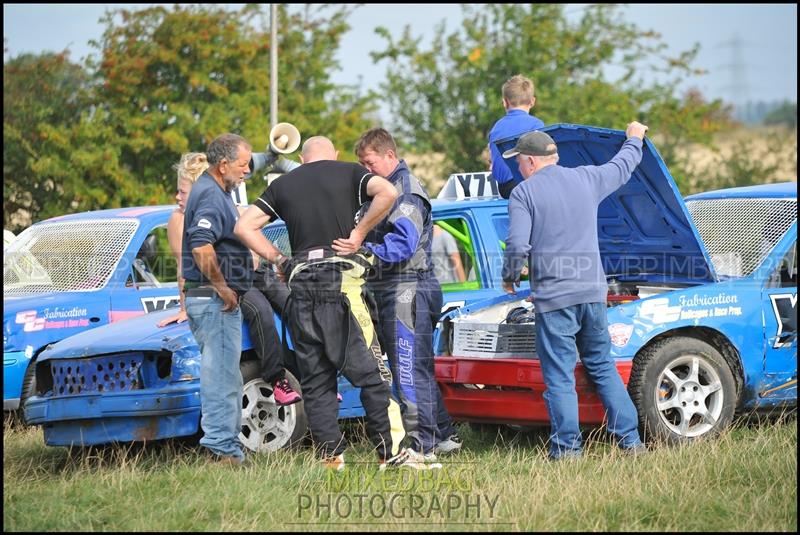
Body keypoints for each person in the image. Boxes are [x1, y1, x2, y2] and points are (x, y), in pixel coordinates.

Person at [235, 136, 404, 470]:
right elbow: (389, 192)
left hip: (299, 291)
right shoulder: (351, 173)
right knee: (369, 375)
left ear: (301, 157)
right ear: (335, 155)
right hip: (339, 285)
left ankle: (333, 458)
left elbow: (244, 226)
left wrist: (280, 260)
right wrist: (358, 234)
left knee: (316, 382)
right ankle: (388, 452)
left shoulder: (283, 184)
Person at [501, 124, 649, 460]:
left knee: (560, 377)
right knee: (601, 365)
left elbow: (517, 244)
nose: (519, 169)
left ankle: (568, 450)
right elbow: (622, 166)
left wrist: (510, 275)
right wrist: (635, 138)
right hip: (593, 294)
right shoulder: (587, 178)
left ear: (530, 162)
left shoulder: (524, 194)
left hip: (555, 300)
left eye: (520, 163)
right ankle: (631, 442)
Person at [338, 128, 461, 469]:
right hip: (399, 286)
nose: (366, 170)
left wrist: (363, 250)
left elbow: (403, 244)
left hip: (407, 286)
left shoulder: (404, 191)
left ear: (389, 156)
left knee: (407, 369)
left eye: (370, 162)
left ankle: (422, 447)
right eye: (362, 164)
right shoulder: (382, 188)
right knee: (417, 366)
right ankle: (442, 436)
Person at [158, 153, 301, 407]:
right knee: (261, 311)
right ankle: (278, 380)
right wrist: (185, 307)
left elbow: (251, 244)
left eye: (182, 192)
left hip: (250, 273)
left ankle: (312, 375)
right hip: (226, 281)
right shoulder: (178, 220)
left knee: (292, 303)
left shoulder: (223, 202)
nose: (177, 198)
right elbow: (184, 267)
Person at [181, 133, 255, 465]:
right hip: (214, 300)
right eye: (242, 165)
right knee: (224, 377)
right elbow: (200, 245)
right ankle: (223, 450)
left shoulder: (214, 188)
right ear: (223, 165)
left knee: (223, 373)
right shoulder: (211, 195)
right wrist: (223, 287)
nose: (248, 171)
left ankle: (221, 445)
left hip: (207, 298)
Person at [488, 74, 544, 199]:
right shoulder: (536, 124)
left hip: (504, 188)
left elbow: (492, 158)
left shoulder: (497, 127)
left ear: (505, 102)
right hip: (526, 186)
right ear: (532, 101)